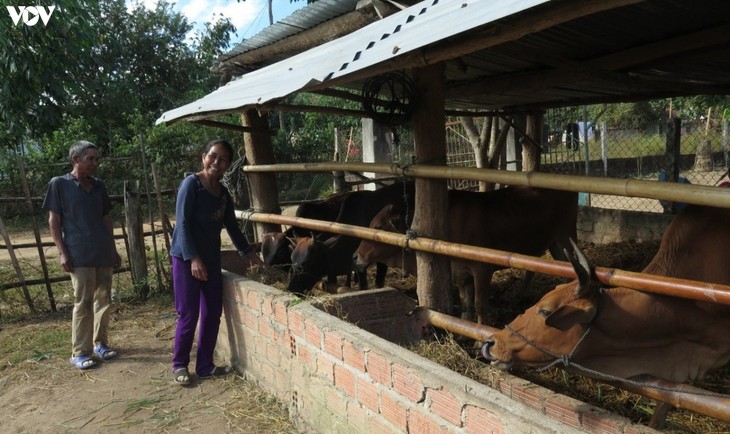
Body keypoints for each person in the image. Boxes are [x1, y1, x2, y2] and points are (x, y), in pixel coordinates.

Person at [170, 139, 262, 386]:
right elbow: (183, 223)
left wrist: (248, 252)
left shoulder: (223, 195)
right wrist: (193, 258)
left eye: (222, 159)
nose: (216, 162)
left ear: (228, 165)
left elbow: (232, 226)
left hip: (209, 260)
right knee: (189, 314)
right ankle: (180, 365)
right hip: (186, 258)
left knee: (212, 313)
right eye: (213, 156)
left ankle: (205, 365)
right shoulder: (191, 185)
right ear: (203, 157)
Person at [43, 140, 121, 370]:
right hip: (79, 254)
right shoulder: (59, 184)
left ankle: (101, 344)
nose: (96, 163)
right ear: (75, 159)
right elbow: (54, 221)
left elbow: (106, 218)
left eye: (97, 159)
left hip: (102, 252)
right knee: (83, 303)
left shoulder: (99, 186)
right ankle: (80, 351)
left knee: (104, 300)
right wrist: (62, 253)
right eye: (91, 159)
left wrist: (113, 248)